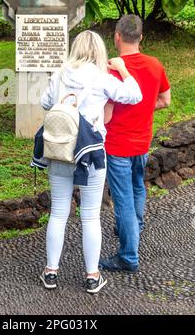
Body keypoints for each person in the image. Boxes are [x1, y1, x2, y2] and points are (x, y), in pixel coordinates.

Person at [39, 30, 143, 293]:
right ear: (98, 51)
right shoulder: (102, 79)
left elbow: (45, 103)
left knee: (59, 212)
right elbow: (134, 95)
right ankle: (92, 276)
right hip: (91, 153)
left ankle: (51, 272)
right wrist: (125, 71)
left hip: (60, 151)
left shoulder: (59, 73)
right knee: (90, 216)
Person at [99, 14, 171, 274]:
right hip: (143, 140)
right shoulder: (155, 64)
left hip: (117, 144)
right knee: (138, 187)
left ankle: (128, 256)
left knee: (123, 199)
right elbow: (165, 100)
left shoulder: (110, 69)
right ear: (140, 37)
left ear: (116, 36)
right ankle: (134, 229)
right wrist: (142, 107)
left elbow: (106, 113)